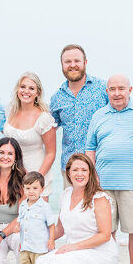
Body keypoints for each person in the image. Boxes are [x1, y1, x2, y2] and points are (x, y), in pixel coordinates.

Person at [85, 74, 133, 264]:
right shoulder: (99, 115)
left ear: (131, 89)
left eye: (121, 88)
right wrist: (92, 176)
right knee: (106, 231)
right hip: (103, 184)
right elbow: (90, 147)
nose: (117, 93)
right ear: (107, 92)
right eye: (112, 89)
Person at [34, 154, 119, 264]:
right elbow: (60, 228)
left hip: (100, 252)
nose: (79, 174)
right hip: (73, 250)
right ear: (68, 173)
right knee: (43, 261)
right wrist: (41, 237)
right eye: (75, 170)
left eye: (84, 170)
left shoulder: (99, 198)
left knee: (64, 260)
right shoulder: (66, 195)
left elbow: (105, 235)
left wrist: (72, 247)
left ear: (90, 173)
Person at [50, 44, 108, 184]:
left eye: (77, 61)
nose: (72, 65)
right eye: (68, 62)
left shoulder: (103, 88)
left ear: (85, 63)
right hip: (70, 169)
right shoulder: (57, 98)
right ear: (62, 65)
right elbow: (50, 128)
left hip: (100, 167)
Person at [3, 72, 57, 198]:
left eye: (31, 88)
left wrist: (36, 179)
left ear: (37, 93)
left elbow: (51, 153)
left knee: (35, 215)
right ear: (17, 89)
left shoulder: (44, 118)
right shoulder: (10, 111)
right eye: (23, 87)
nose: (26, 91)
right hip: (12, 174)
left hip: (36, 172)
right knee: (14, 216)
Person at [14, 171, 57, 264]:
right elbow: (20, 219)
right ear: (23, 189)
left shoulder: (44, 207)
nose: (31, 191)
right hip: (25, 245)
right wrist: (17, 225)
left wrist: (52, 239)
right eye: (28, 188)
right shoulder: (23, 204)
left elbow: (51, 224)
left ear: (42, 190)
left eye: (35, 188)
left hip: (40, 247)